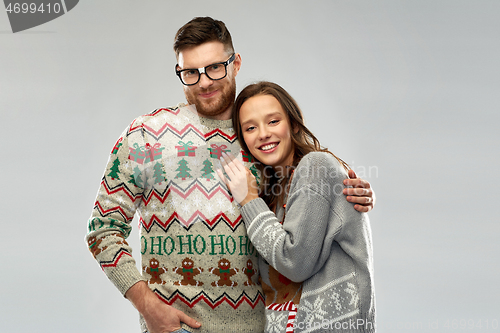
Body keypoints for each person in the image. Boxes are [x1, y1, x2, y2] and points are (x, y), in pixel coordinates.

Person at [85, 17, 375, 333]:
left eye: (215, 68)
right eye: (190, 72)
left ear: (235, 63)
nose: (205, 81)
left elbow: (312, 194)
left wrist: (350, 194)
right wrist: (146, 304)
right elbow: (103, 229)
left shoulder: (261, 135)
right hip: (177, 328)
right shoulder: (145, 135)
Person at [217, 81, 376, 332]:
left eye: (273, 121)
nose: (263, 134)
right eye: (250, 127)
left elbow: (295, 262)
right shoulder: (273, 192)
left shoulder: (316, 167)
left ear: (293, 123)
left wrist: (248, 200)